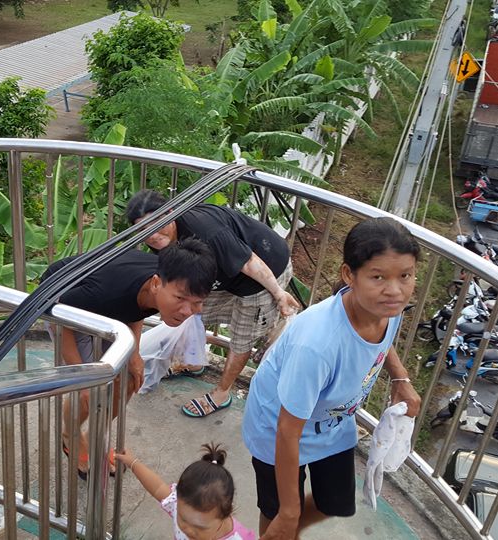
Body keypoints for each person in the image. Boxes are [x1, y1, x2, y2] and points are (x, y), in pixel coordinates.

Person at [240, 217, 422, 538]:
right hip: (277, 430)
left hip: (331, 425)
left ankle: (287, 529)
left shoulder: (385, 309)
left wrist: (400, 379)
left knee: (334, 503)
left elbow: (385, 339)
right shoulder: (317, 344)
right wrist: (289, 510)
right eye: (378, 277)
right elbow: (286, 432)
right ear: (348, 275)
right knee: (277, 510)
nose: (394, 291)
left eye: (405, 275)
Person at [42, 240, 217, 478]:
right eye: (180, 299)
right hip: (63, 307)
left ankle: (96, 438)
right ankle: (69, 435)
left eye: (197, 303)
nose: (187, 311)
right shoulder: (105, 292)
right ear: (156, 284)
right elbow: (57, 318)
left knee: (130, 379)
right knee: (88, 391)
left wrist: (133, 353)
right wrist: (80, 375)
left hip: (108, 309)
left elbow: (137, 306)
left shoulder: (164, 285)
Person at [125, 190, 301, 418]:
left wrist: (278, 294)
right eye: (144, 229)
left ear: (171, 213)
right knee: (192, 312)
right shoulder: (159, 239)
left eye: (159, 222)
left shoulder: (206, 231)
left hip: (264, 274)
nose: (153, 234)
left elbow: (249, 262)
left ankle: (221, 393)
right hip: (223, 276)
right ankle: (195, 362)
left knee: (241, 337)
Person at [117, 443, 256, 540]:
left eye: (200, 528)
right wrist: (132, 463)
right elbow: (158, 488)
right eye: (182, 519)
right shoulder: (181, 505)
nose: (188, 530)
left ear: (225, 515)